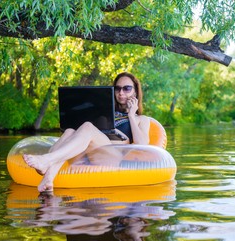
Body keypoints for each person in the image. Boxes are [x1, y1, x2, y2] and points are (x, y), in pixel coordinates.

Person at [23, 72, 151, 192]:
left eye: (127, 89)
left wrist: (131, 115)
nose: (121, 93)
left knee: (88, 127)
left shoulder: (141, 119)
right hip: (92, 152)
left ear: (135, 92)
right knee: (69, 131)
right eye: (117, 89)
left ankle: (46, 160)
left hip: (115, 156)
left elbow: (142, 145)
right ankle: (49, 178)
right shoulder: (108, 114)